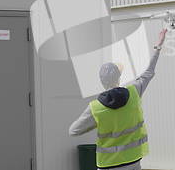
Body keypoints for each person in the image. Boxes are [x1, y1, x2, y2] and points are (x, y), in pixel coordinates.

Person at [69, 28, 168, 170]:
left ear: (102, 82)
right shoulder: (134, 91)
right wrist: (158, 45)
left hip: (109, 164)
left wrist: (95, 122)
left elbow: (74, 131)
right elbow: (149, 71)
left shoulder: (95, 108)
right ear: (119, 77)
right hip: (133, 160)